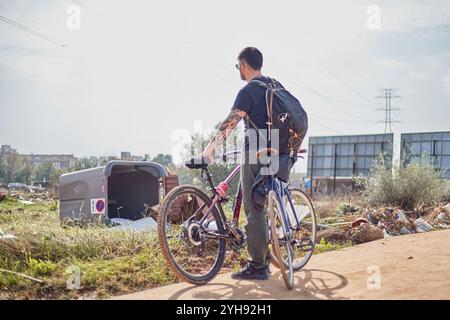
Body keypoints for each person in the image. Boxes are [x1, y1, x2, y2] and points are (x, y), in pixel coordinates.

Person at [201, 47, 291, 280]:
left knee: (255, 208)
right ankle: (271, 252)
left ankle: (258, 266)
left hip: (255, 151)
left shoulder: (249, 91)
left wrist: (210, 149)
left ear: (243, 65)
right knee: (265, 201)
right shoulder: (274, 85)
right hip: (277, 150)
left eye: (237, 67)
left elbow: (230, 123)